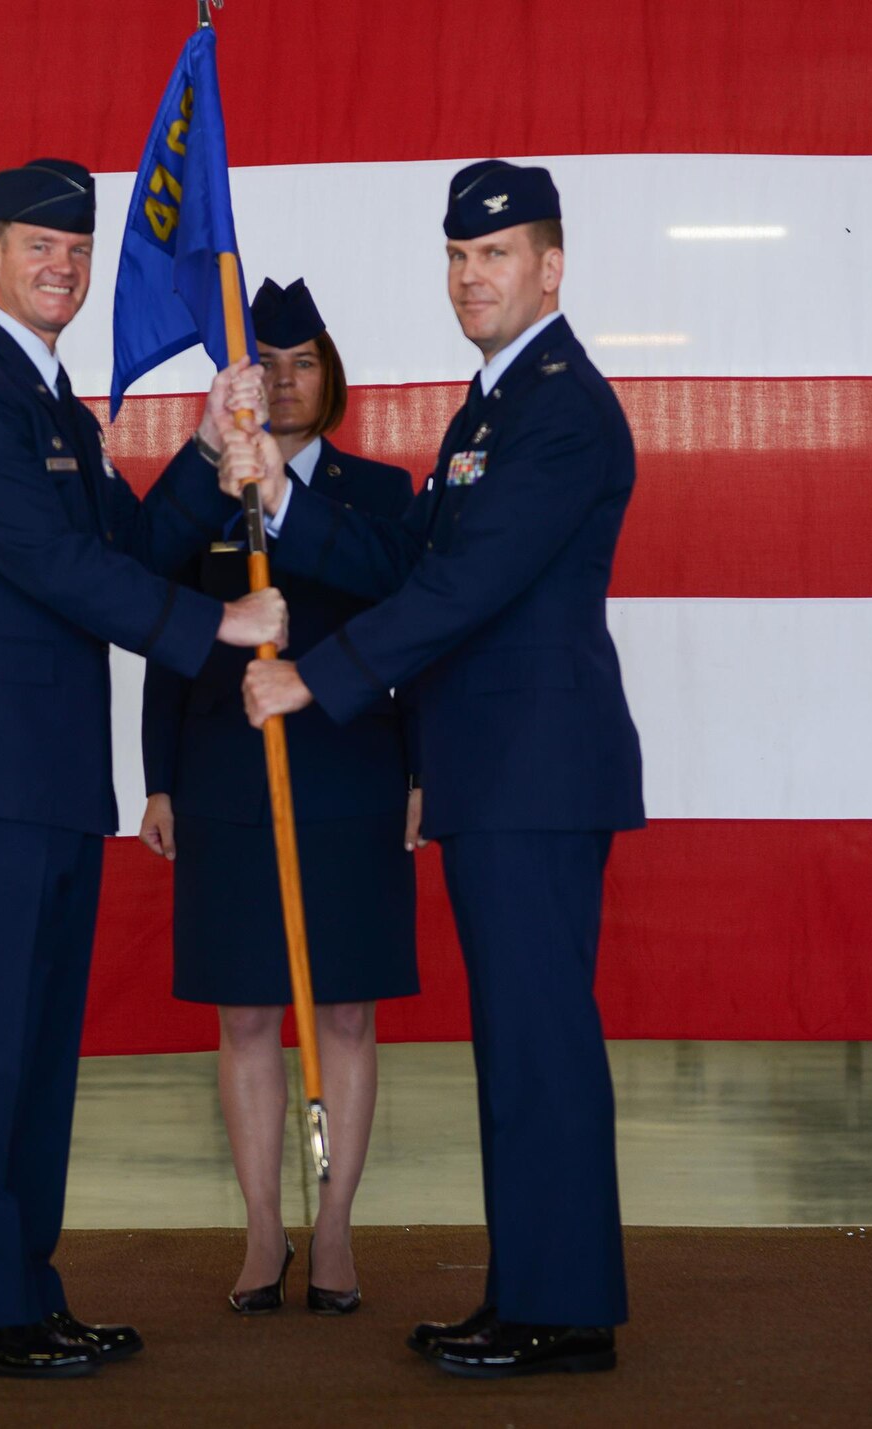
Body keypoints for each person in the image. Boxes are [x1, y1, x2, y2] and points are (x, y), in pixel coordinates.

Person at [229, 160, 644, 1378]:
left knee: (538, 1043)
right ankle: (533, 1290)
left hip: (535, 770)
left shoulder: (560, 407)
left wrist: (316, 675)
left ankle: (560, 1309)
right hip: (499, 771)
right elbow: (403, 551)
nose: (472, 276)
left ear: (549, 267)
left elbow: (466, 587)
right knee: (516, 1044)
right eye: (458, 258)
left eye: (498, 255)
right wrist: (282, 499)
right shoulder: (490, 407)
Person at [0, 156, 287, 1378]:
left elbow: (129, 542)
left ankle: (24, 1285)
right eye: (35, 245)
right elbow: (55, 569)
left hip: (55, 773)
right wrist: (214, 629)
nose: (60, 265)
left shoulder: (54, 406)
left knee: (37, 1054)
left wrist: (210, 438)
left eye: (76, 248)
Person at [137, 278, 419, 1317]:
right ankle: (263, 1235)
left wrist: (422, 773)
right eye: (268, 365)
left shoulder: (381, 493)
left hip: (349, 776)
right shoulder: (208, 486)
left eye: (303, 363)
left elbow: (411, 621)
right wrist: (157, 776)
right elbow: (167, 632)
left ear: (329, 377)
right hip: (223, 775)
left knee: (346, 1012)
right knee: (245, 1015)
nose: (287, 383)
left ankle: (335, 1230)